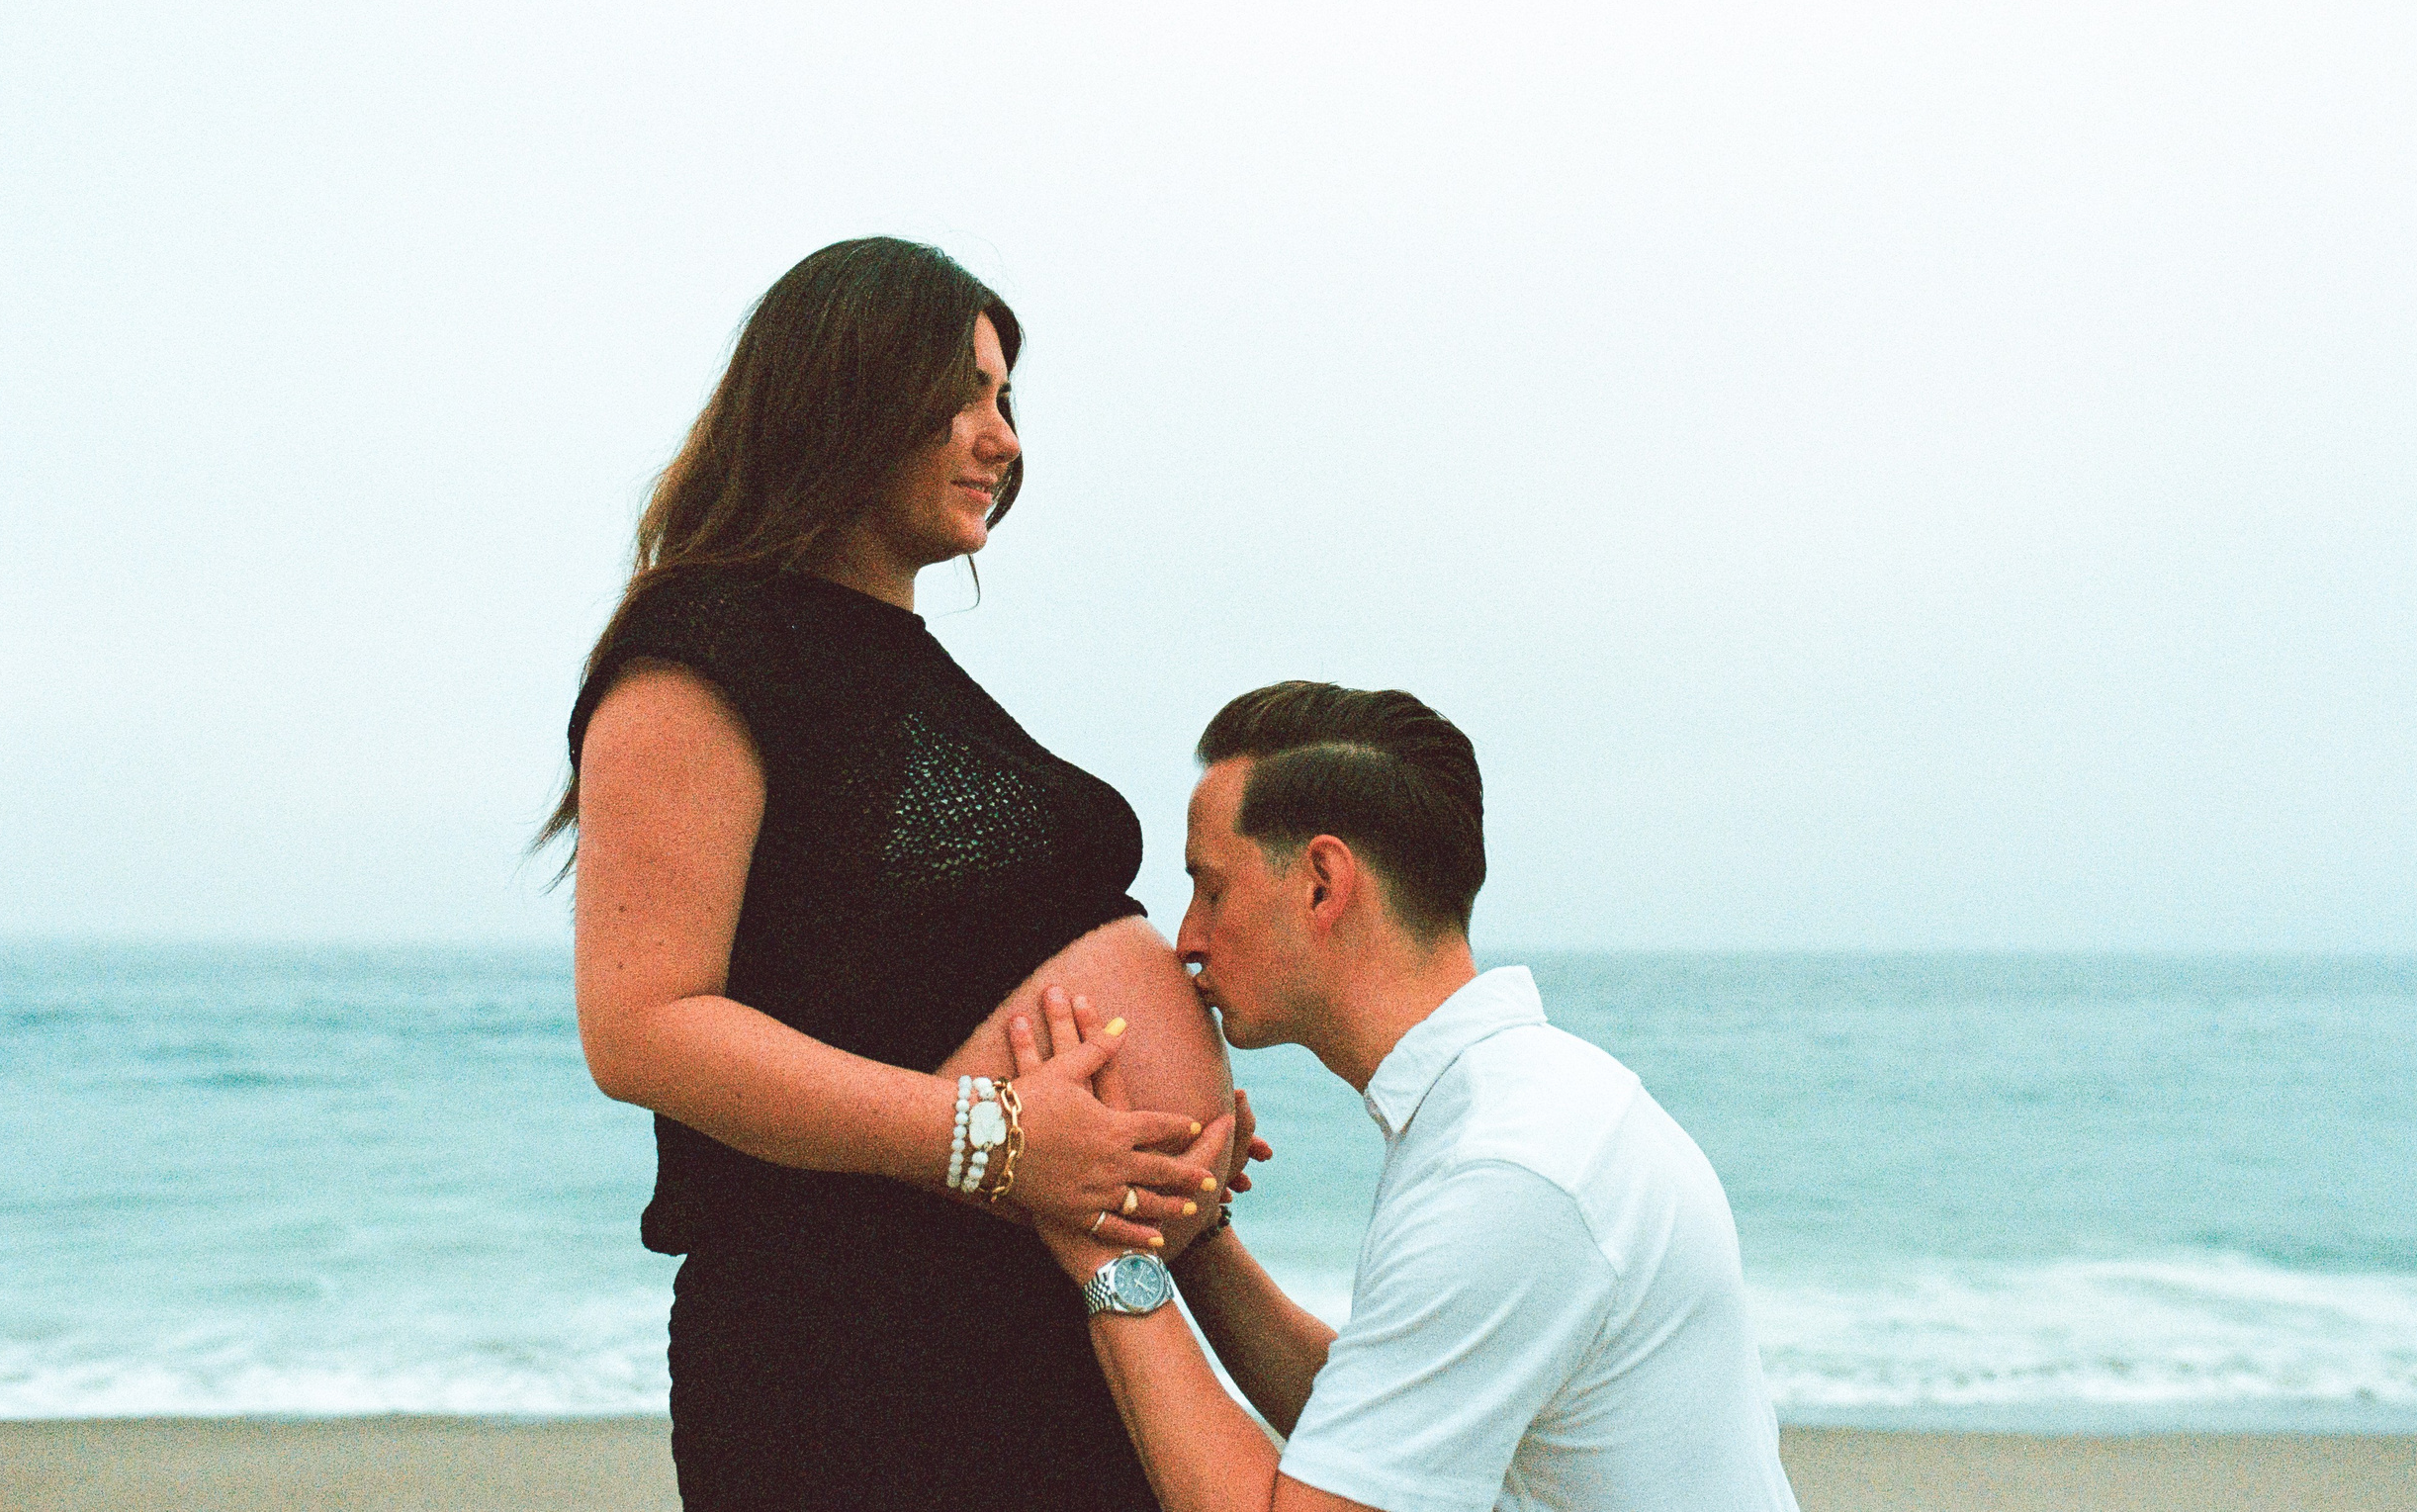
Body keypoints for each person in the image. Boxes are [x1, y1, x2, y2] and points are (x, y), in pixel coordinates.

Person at [546, 237, 1251, 1511]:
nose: (1002, 439)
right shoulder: (703, 649)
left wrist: (1151, 1144)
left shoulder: (908, 664)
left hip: (1039, 1313)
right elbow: (641, 1027)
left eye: (1007, 402)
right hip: (855, 1352)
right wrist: (999, 1141)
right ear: (846, 395)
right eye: (965, 397)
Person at [1016, 681, 1802, 1512]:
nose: (1187, 939)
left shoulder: (1508, 1172)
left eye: (1213, 888)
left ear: (1323, 882)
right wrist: (1197, 1236)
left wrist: (1106, 1255)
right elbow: (1382, 1432)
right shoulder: (1524, 1106)